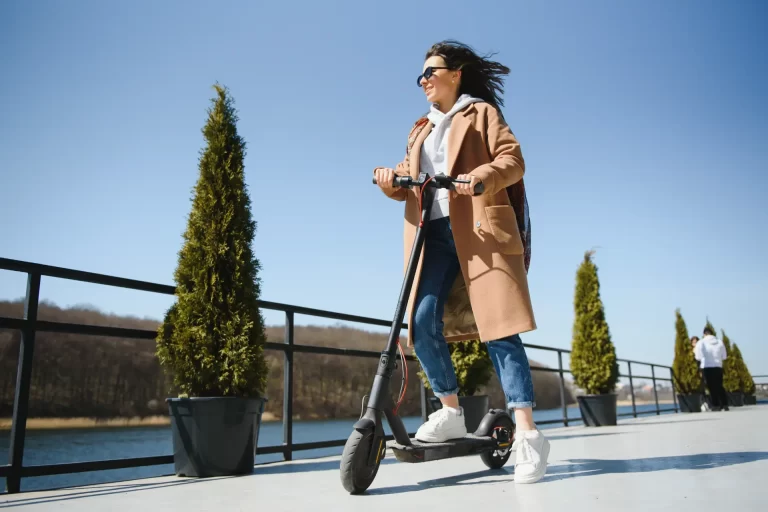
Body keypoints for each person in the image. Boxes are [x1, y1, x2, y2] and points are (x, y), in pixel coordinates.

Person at [373, 40, 548, 484]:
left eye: (431, 71)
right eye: (420, 76)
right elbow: (410, 176)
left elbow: (512, 160)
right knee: (422, 318)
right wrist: (389, 179)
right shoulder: (420, 129)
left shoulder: (482, 114)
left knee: (499, 330)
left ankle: (528, 434)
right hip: (432, 237)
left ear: (456, 74)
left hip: (480, 230)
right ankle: (449, 410)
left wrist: (483, 177)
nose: (424, 80)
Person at [693, 327, 729, 411]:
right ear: (712, 333)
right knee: (719, 386)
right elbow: (724, 356)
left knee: (711, 387)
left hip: (707, 367)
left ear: (704, 334)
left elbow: (698, 357)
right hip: (718, 366)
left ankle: (715, 405)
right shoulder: (720, 342)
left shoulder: (701, 342)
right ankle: (725, 404)